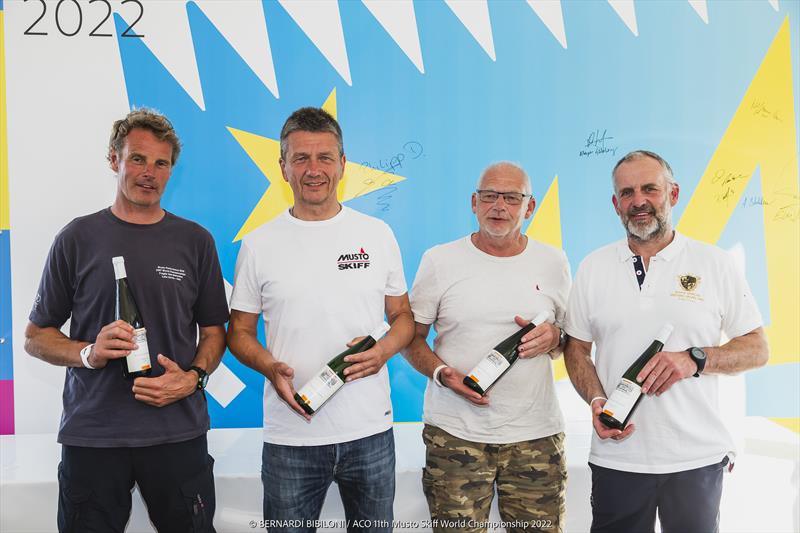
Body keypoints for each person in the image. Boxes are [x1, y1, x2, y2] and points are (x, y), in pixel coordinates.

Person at [24, 108, 230, 532]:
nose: (149, 172)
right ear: (113, 159)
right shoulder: (76, 238)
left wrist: (194, 377)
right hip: (94, 435)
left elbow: (214, 332)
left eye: (161, 163)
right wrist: (88, 352)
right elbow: (35, 336)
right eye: (138, 158)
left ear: (172, 170)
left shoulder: (195, 241)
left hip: (177, 433)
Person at [226, 107, 414, 532]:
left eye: (325, 157)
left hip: (369, 432)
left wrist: (382, 351)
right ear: (283, 168)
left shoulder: (377, 235)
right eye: (301, 158)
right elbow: (238, 333)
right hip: (291, 436)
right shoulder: (258, 244)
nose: (314, 170)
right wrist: (269, 366)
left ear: (343, 164)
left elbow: (402, 317)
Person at [563, 150, 769, 533]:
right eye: (627, 193)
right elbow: (575, 348)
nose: (638, 201)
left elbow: (758, 348)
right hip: (617, 457)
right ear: (615, 204)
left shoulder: (715, 263)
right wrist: (595, 399)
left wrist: (695, 359)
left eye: (649, 189)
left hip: (695, 458)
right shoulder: (593, 266)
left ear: (673, 194)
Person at [402, 162, 570, 533]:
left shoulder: (554, 261)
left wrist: (555, 338)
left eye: (511, 198)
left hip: (535, 437)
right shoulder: (440, 260)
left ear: (530, 207)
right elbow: (410, 338)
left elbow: (571, 341)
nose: (499, 207)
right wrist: (442, 374)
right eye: (490, 196)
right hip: (455, 437)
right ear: (473, 203)